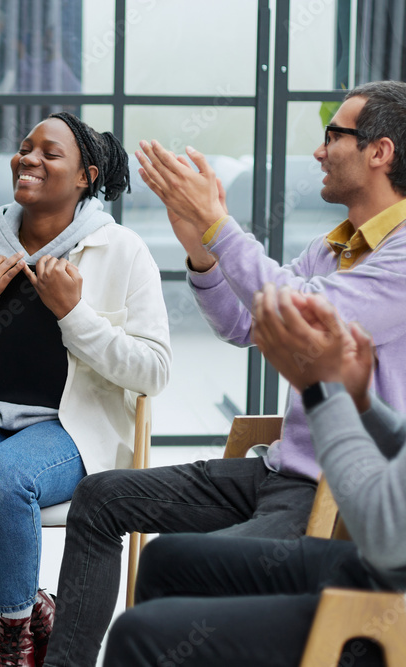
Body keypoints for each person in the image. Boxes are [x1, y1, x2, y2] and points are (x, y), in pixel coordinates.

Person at [43, 80, 406, 667]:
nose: (319, 150)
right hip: (276, 467)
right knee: (100, 497)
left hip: (328, 494)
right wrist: (204, 253)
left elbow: (309, 311)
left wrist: (220, 225)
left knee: (176, 591)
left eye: (332, 136)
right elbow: (243, 324)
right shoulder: (331, 248)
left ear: (379, 151)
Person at [0, 111, 172, 667]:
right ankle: (30, 608)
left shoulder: (122, 251)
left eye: (50, 153)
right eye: (25, 147)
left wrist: (75, 314)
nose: (29, 159)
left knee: (2, 482)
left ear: (86, 176)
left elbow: (153, 370)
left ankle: (14, 636)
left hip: (68, 425)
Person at [103, 285, 400, 667]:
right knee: (163, 557)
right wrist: (362, 402)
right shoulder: (328, 250)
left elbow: (387, 535)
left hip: (388, 604)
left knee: (138, 635)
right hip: (363, 564)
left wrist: (323, 394)